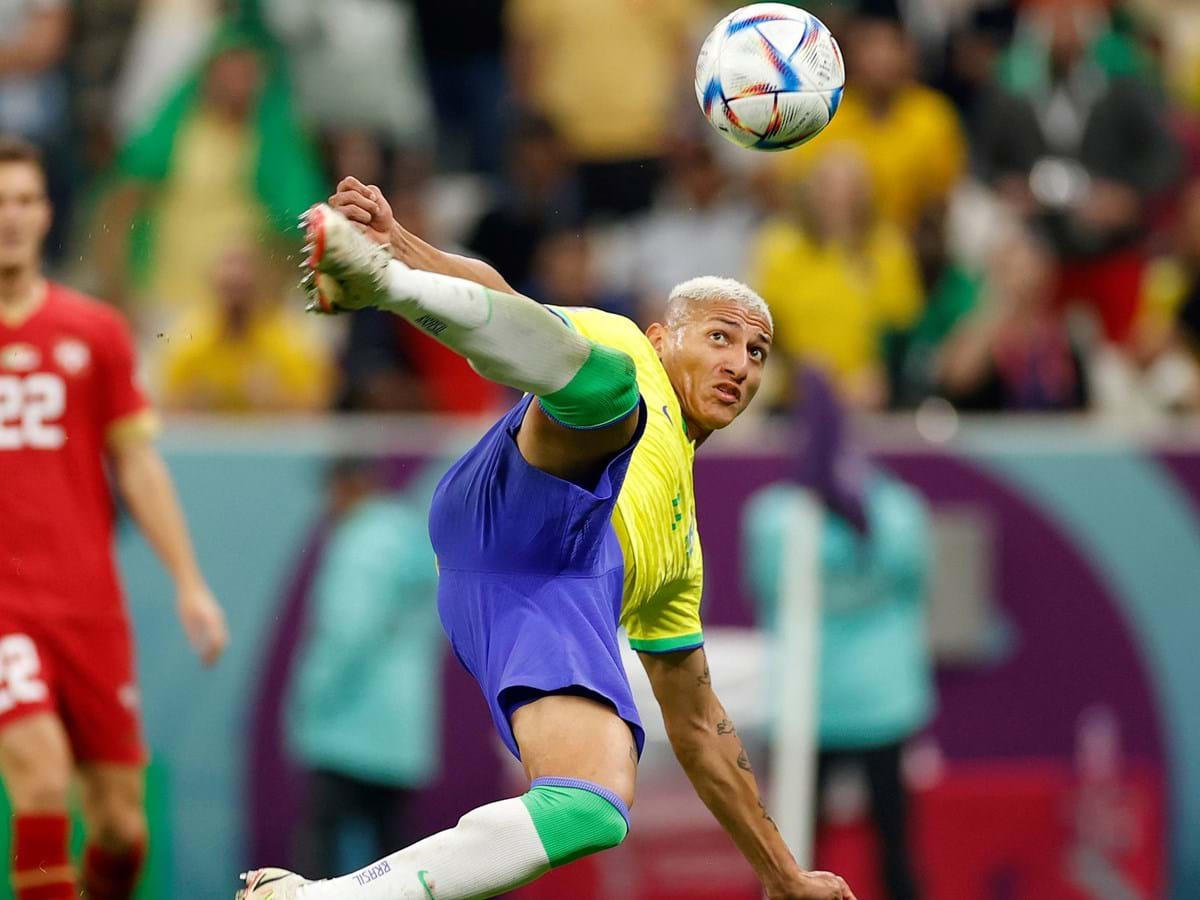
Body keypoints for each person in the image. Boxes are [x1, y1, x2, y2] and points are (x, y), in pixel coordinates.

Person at [236, 179, 857, 900]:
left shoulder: (680, 560)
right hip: (510, 498)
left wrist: (783, 876)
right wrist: (399, 246)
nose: (739, 364)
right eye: (719, 337)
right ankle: (387, 285)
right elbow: (506, 299)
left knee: (593, 805)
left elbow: (698, 727)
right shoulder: (630, 345)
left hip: (539, 595)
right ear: (665, 337)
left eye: (756, 353)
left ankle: (321, 898)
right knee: (608, 390)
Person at [0, 135, 228, 900]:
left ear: (47, 212)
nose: (12, 218)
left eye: (25, 200)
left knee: (121, 830)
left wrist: (190, 583)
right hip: (5, 608)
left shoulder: (92, 331)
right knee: (38, 777)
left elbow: (135, 462)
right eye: (0, 203)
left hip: (88, 606)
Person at [743, 368, 936, 900]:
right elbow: (918, 578)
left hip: (813, 702)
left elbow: (760, 585)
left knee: (795, 855)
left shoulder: (772, 519)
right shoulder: (899, 510)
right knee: (894, 849)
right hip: (879, 698)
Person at [286, 458, 443, 879]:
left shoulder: (358, 543)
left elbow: (348, 633)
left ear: (348, 487)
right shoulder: (410, 537)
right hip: (402, 734)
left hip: (345, 730)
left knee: (320, 846)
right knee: (394, 856)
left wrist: (311, 698)